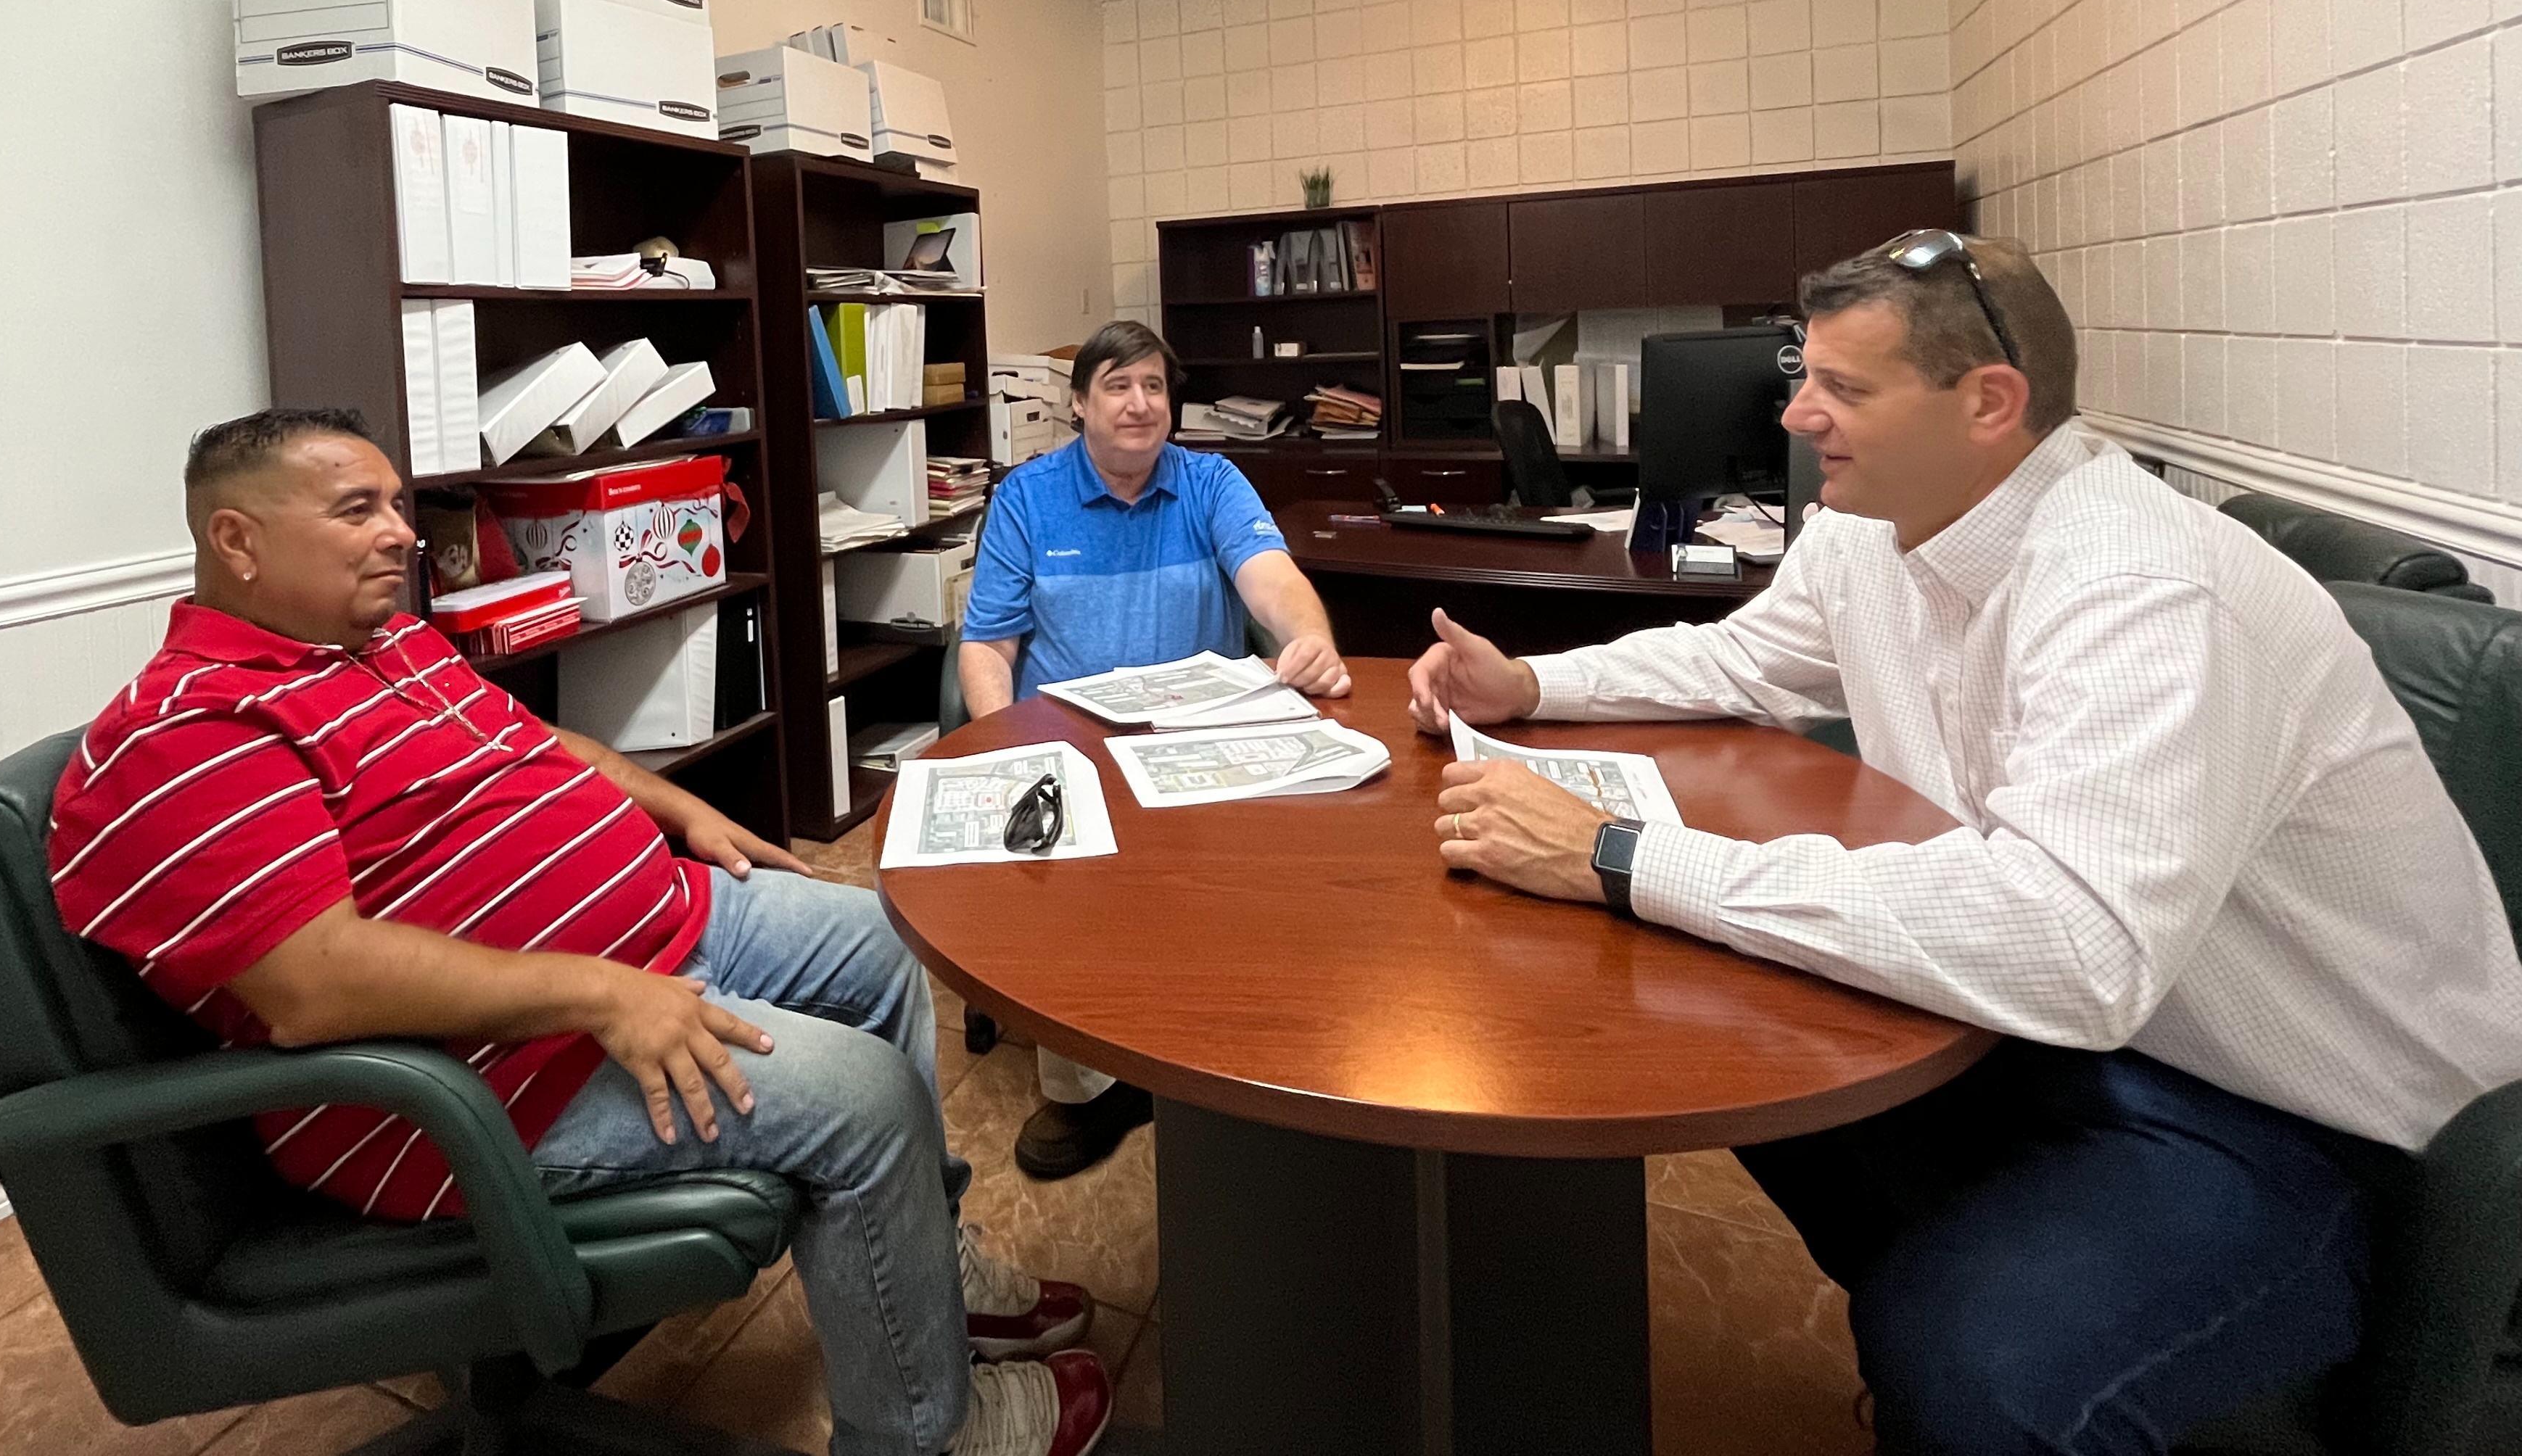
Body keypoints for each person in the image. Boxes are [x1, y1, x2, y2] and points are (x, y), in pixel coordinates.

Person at [1409, 232, 2522, 1455]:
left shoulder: (2140, 587)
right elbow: (1742, 659)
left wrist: (1618, 856)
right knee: (1731, 1045)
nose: (1796, 410)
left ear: (1988, 401)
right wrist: (1525, 681)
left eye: (1842, 385)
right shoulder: (1871, 524)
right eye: (1803, 372)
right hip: (2089, 1038)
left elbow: (2069, 947)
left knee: (1971, 1358)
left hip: (2308, 1122)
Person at [50, 410, 1112, 1456]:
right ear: (236, 540)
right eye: (357, 509)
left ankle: (927, 1264)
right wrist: (601, 994)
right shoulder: (192, 731)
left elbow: (536, 740)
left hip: (657, 930)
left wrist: (677, 808)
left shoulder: (386, 644)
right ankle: (928, 1433)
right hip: (485, 1082)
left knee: (886, 941)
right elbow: (315, 985)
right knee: (860, 1099)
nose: (401, 533)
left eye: (398, 505)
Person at [960, 318, 1350, 1179]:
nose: (1141, 405)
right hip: (1071, 748)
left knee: (1250, 881)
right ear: (1078, 405)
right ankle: (1084, 1093)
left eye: (1155, 388)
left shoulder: (1210, 480)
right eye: (1117, 386)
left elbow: (1270, 577)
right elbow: (988, 646)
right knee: (1070, 896)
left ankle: (1208, 1050)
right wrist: (1004, 746)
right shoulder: (1027, 497)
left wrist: (1309, 635)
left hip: (1194, 743)